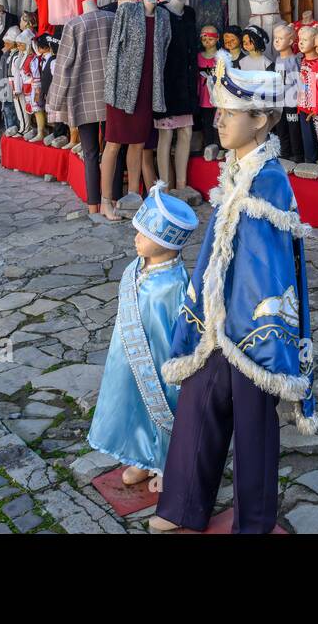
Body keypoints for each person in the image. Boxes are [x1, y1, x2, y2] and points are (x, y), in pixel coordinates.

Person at [151, 58, 314, 534]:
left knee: (253, 421)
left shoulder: (267, 181)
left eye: (228, 112)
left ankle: (254, 521)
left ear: (260, 120)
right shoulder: (240, 169)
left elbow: (269, 268)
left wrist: (253, 325)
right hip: (220, 314)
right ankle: (181, 504)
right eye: (219, 110)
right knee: (200, 399)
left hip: (254, 324)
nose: (217, 120)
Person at [87, 183, 197, 485]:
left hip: (158, 361)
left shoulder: (174, 285)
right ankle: (138, 455)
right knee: (130, 404)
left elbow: (176, 332)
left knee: (159, 406)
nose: (136, 239)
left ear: (166, 242)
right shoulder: (137, 267)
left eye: (145, 235)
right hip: (126, 357)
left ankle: (163, 461)